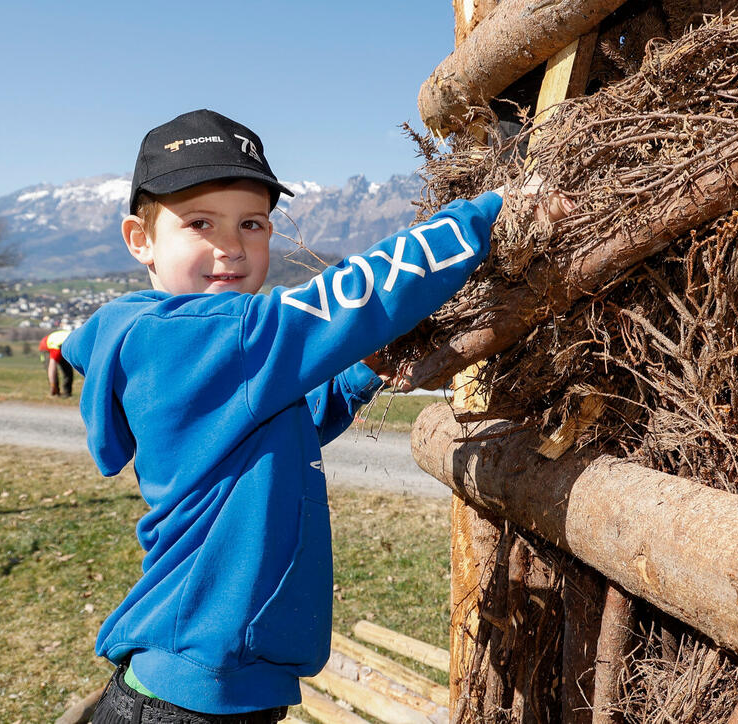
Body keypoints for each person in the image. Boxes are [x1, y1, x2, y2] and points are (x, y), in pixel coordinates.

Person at [61, 109, 507, 723]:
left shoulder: (195, 348)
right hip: (192, 698)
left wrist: (360, 369)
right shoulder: (184, 337)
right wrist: (494, 212)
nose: (230, 247)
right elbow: (356, 294)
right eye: (199, 223)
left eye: (252, 223)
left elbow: (284, 421)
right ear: (141, 240)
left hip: (211, 684)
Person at [43, 328, 73, 397]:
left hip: (63, 345)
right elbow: (51, 368)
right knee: (52, 371)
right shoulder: (56, 349)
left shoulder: (73, 339)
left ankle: (67, 393)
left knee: (68, 370)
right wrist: (53, 385)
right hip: (47, 346)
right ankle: (55, 391)